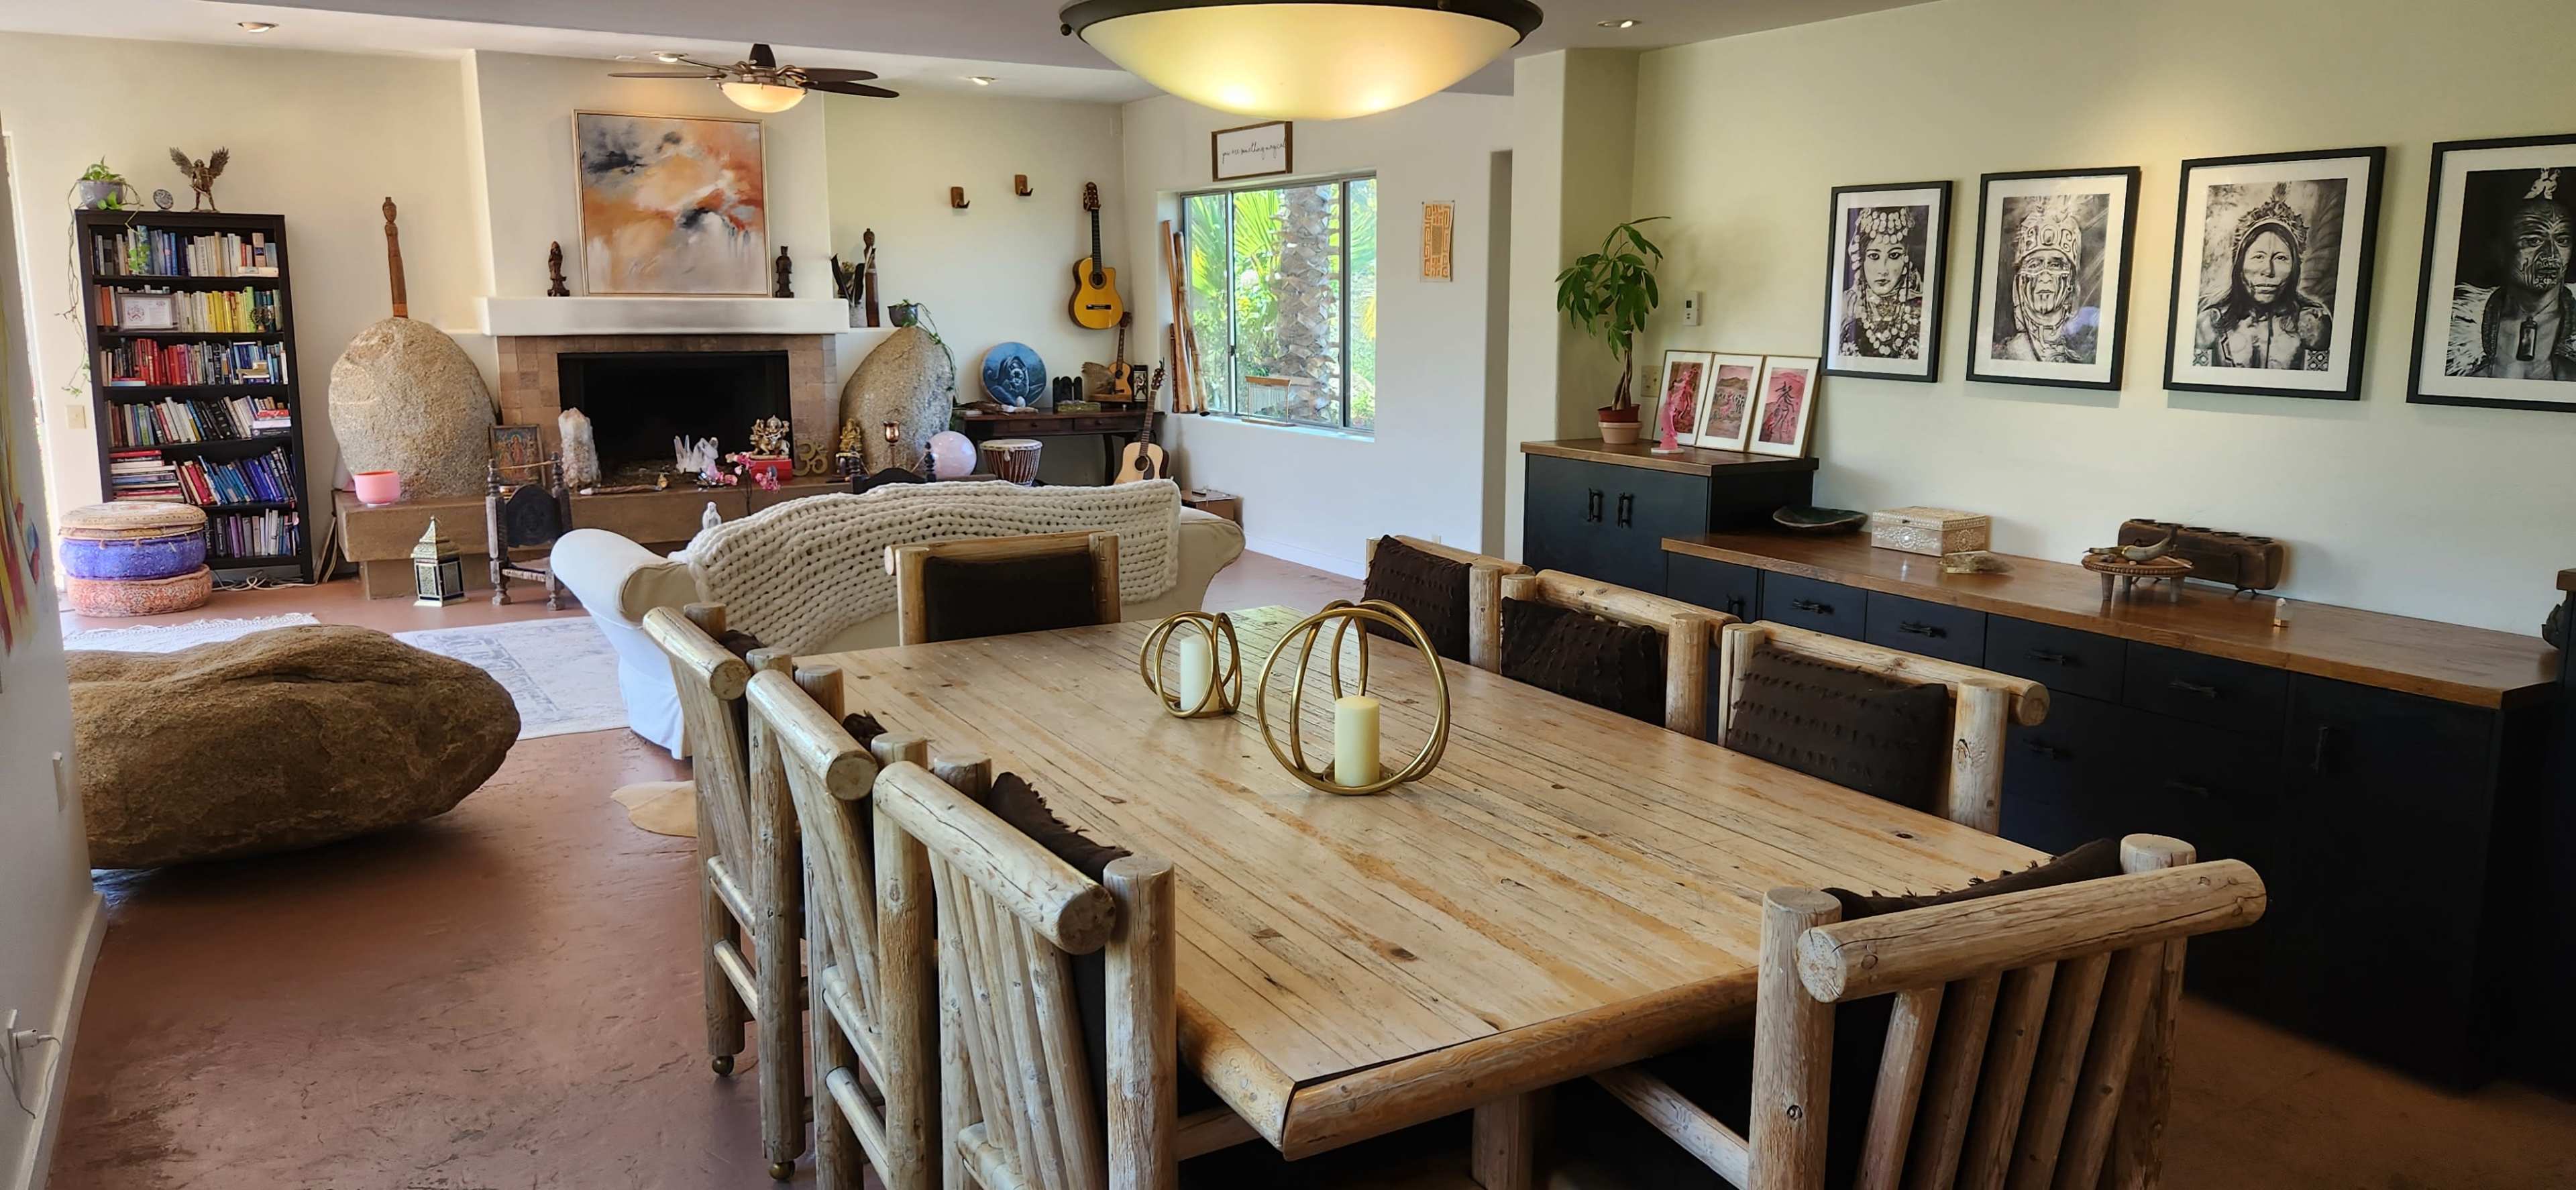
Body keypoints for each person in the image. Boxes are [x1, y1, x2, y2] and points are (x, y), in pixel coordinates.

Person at [2449, 168, 2575, 381]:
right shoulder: (2462, 331)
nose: (2551, 255)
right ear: (2500, 252)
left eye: (2562, 240)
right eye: (2533, 241)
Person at [2195, 186, 2332, 370]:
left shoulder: (2313, 325)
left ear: (2295, 267)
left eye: (2281, 258)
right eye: (2258, 257)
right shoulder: (2209, 324)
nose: (2268, 270)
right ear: (2240, 264)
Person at [1994, 195, 2094, 364]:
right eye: (2034, 265)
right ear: (2020, 283)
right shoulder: (2004, 356)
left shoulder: (2078, 358)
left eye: (2056, 265)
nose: (2045, 276)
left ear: (2071, 282)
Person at [1838, 207, 1924, 359]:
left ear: (1906, 258)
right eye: (1874, 256)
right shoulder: (1846, 306)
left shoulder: (1921, 307)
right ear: (1861, 259)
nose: (1883, 270)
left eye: (1894, 255)